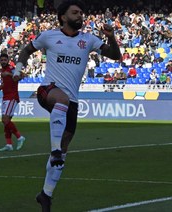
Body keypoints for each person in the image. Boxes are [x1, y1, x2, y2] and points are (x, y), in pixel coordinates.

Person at [12, 1, 121, 211]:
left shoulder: (88, 40)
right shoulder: (49, 36)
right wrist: (18, 69)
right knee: (60, 107)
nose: (80, 15)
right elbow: (26, 51)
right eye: (75, 12)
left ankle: (46, 194)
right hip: (48, 90)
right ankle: (53, 150)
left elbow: (116, 55)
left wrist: (111, 36)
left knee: (64, 149)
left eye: (81, 12)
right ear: (63, 17)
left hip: (72, 100)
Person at [0, 53, 26, 152]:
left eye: (5, 60)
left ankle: (19, 137)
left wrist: (10, 74)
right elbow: (4, 84)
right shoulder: (2, 70)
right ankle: (9, 144)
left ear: (8, 60)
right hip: (6, 97)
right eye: (1, 60)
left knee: (5, 120)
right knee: (6, 122)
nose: (3, 62)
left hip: (12, 97)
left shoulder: (11, 69)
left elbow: (21, 76)